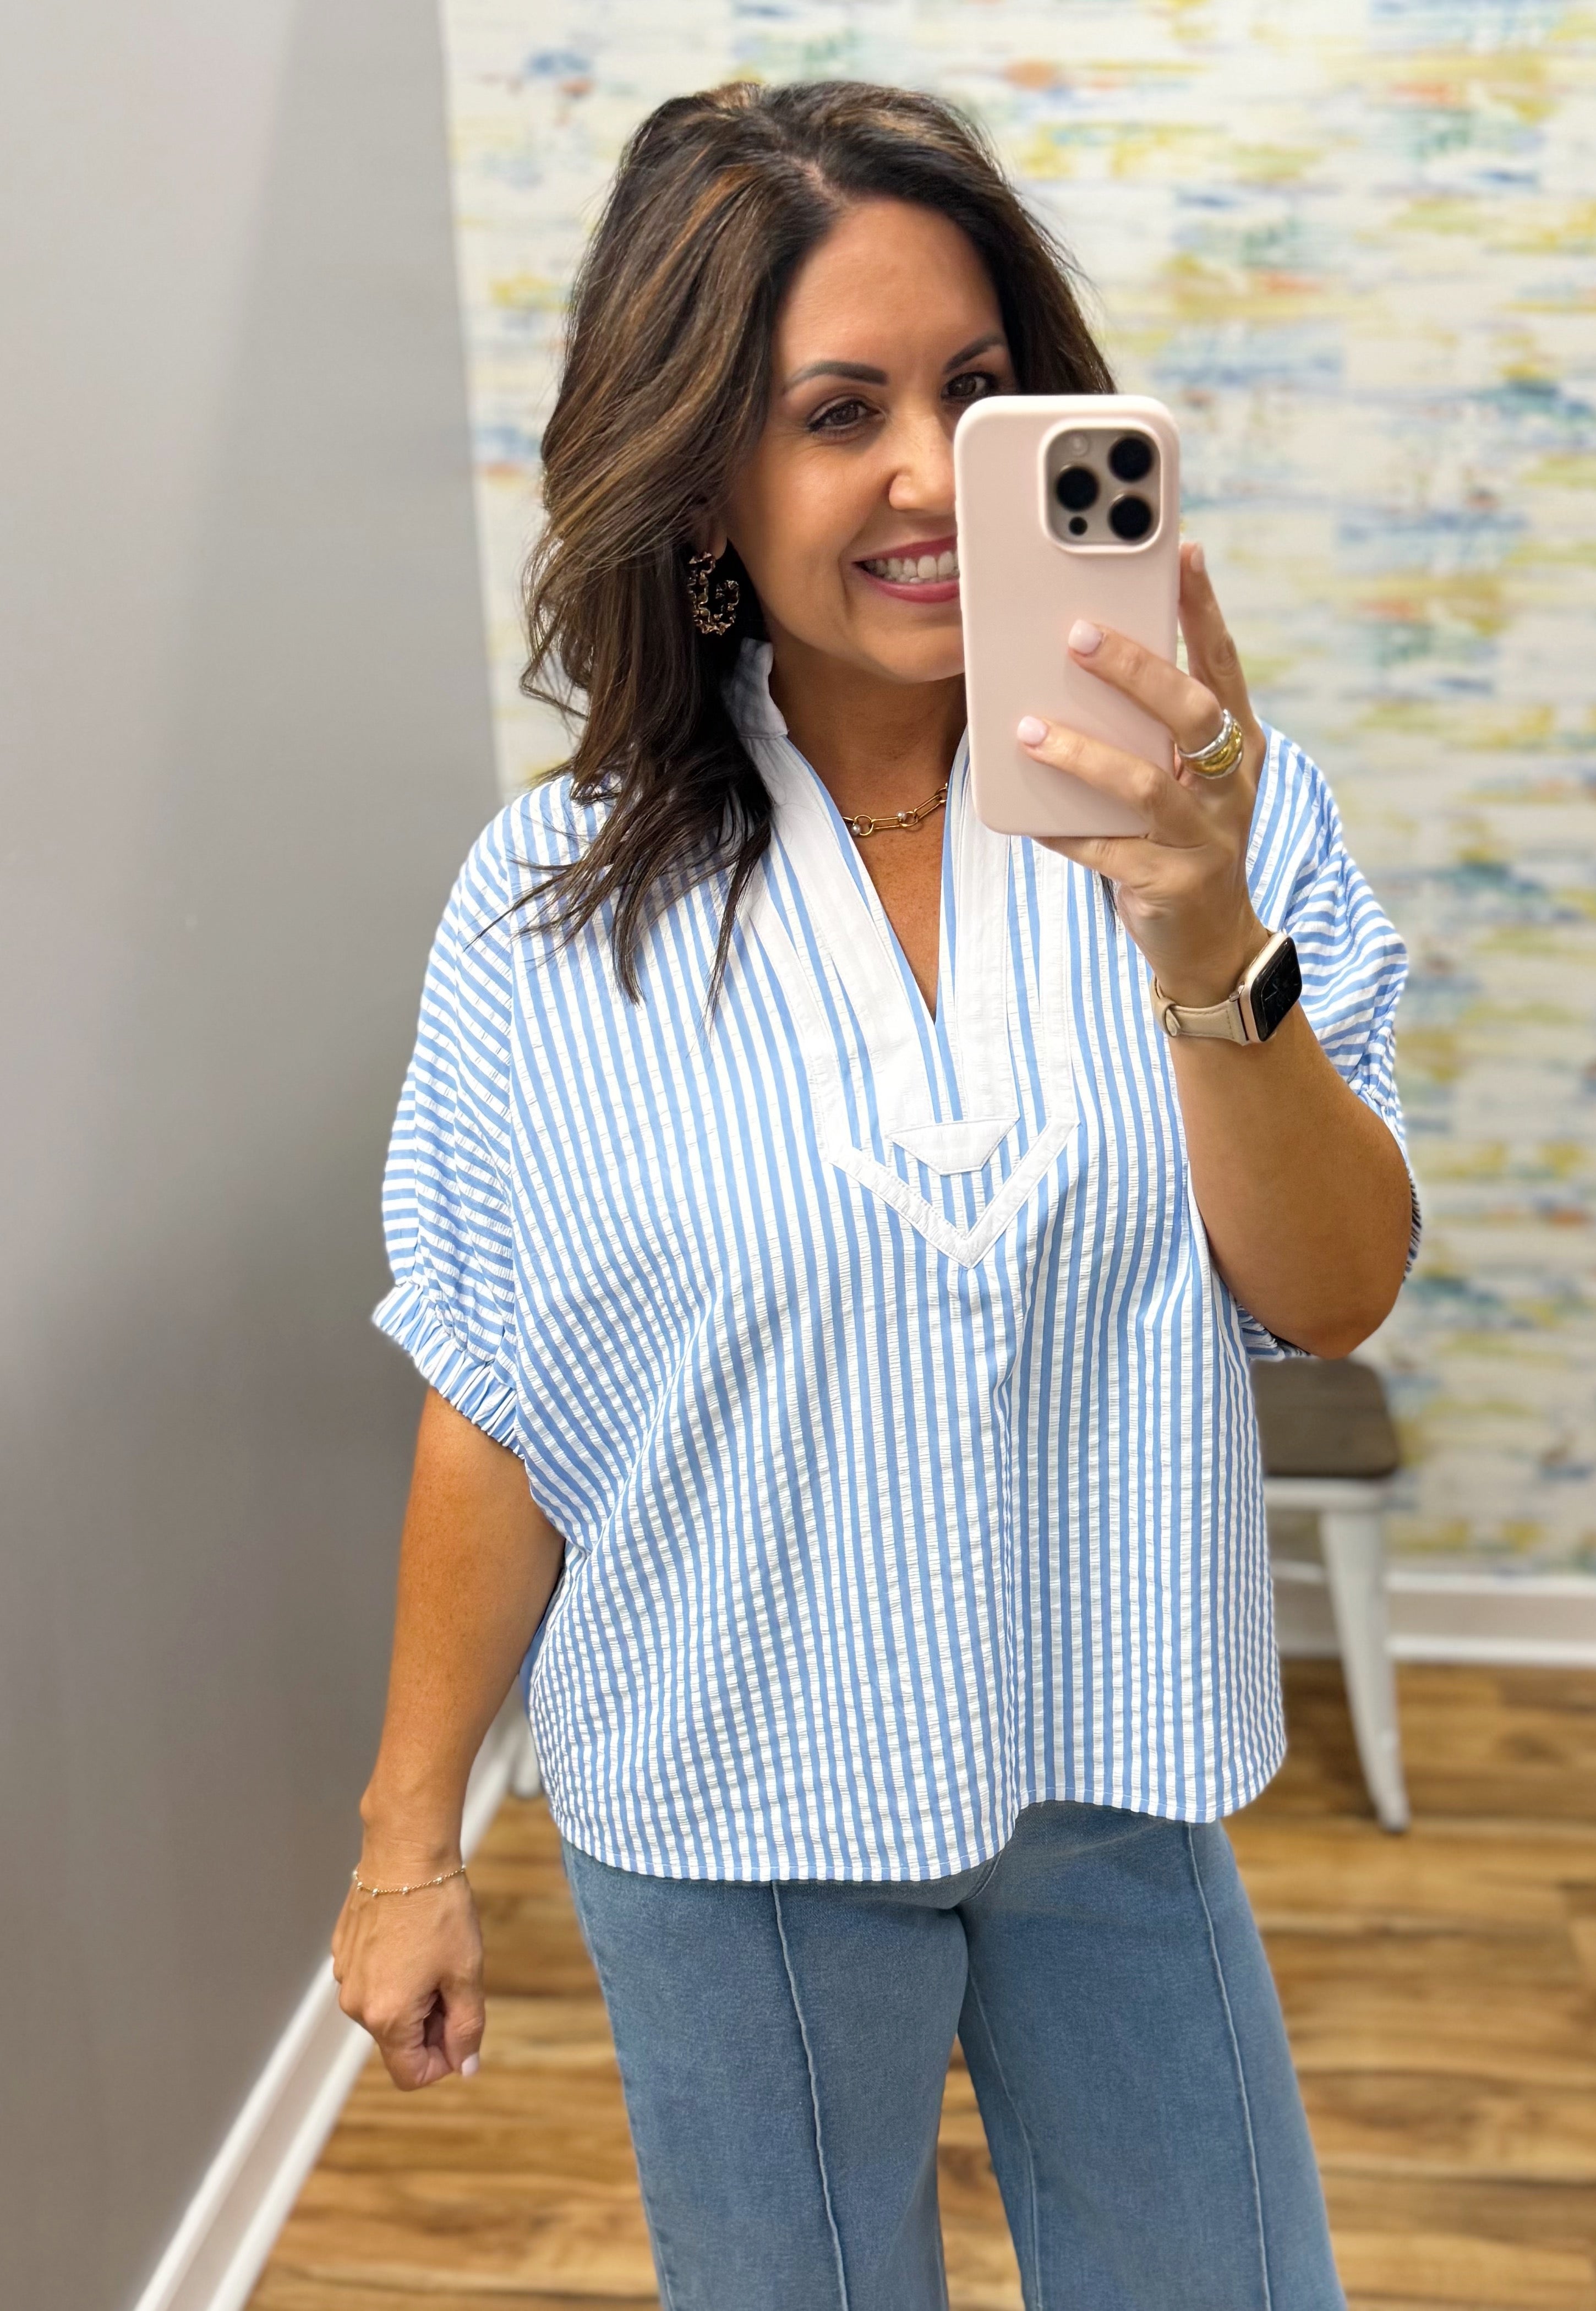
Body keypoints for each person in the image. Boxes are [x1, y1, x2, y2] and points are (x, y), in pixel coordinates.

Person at [332, 78, 1414, 2311]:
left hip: (1110, 1767)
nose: (933, 474)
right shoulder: (551, 909)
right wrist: (402, 1848)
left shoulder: (1219, 809)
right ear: (706, 482)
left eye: (984, 395)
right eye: (842, 413)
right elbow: (501, 1396)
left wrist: (1207, 934)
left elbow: (1333, 1294)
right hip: (722, 1816)